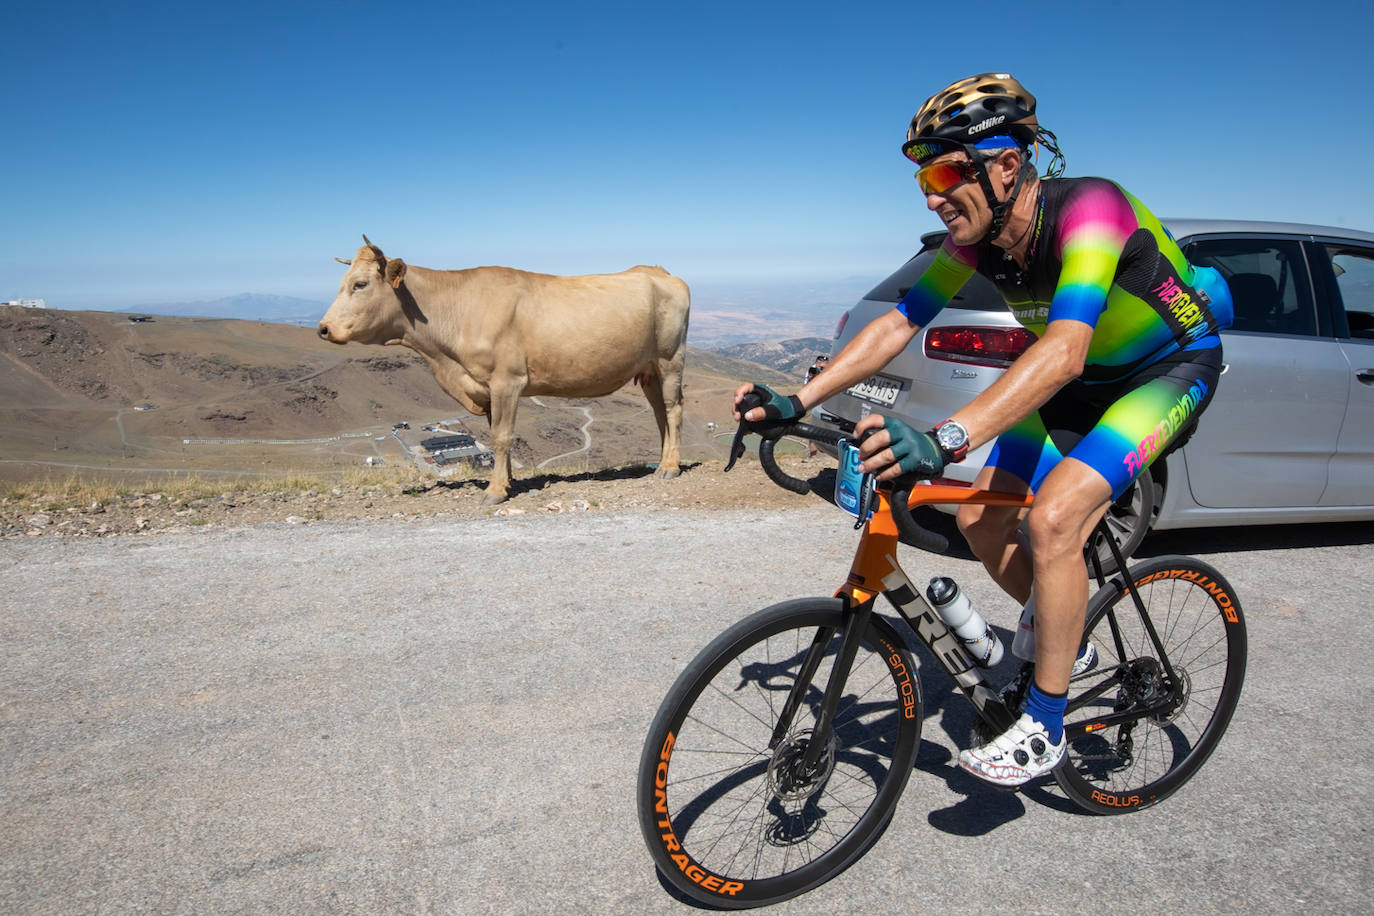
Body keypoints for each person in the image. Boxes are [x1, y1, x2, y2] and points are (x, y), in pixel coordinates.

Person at [733, 73, 1232, 788]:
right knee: (978, 517)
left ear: (1005, 165)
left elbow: (1064, 350)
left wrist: (944, 440)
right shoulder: (977, 244)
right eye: (921, 179)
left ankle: (1046, 724)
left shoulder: (1091, 208)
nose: (932, 193)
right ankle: (1069, 638)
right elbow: (900, 322)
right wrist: (798, 396)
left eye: (945, 172)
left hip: (1165, 371)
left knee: (1057, 518)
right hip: (1077, 381)